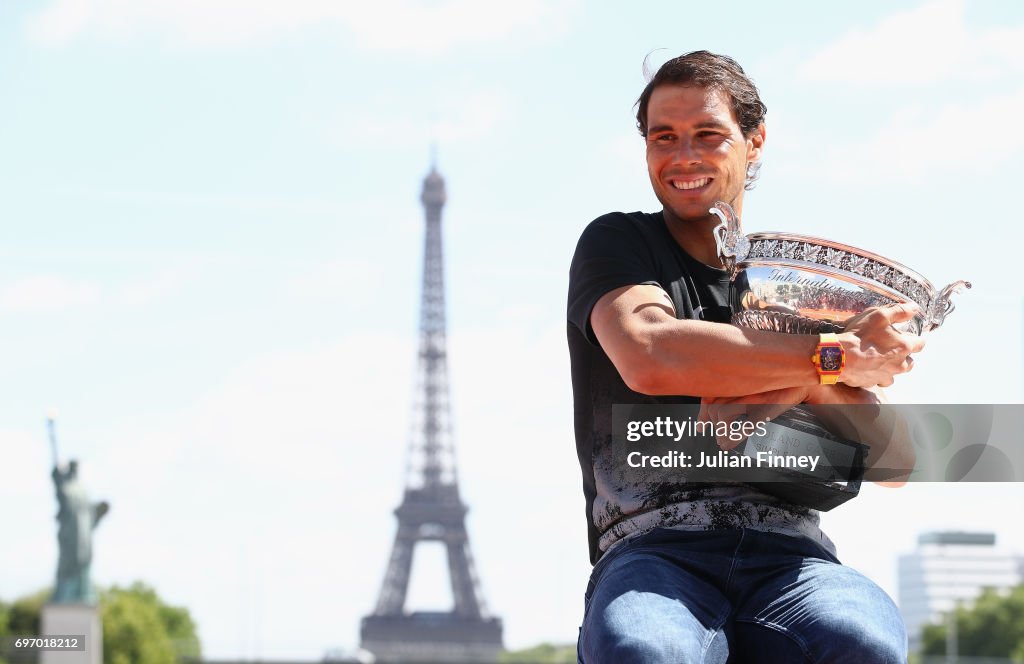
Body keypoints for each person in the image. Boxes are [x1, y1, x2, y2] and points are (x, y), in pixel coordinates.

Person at [567, 51, 922, 663]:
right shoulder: (619, 242)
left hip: (792, 553)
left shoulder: (793, 283)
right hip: (654, 547)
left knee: (865, 645)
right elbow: (650, 352)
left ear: (755, 141)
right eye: (664, 137)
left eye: (708, 135)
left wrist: (774, 377)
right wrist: (830, 355)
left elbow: (894, 461)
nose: (683, 157)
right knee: (646, 649)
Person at [52, 459, 109, 604]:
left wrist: (100, 510)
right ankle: (65, 592)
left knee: (84, 558)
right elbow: (59, 490)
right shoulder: (65, 486)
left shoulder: (83, 490)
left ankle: (83, 591)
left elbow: (91, 513)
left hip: (83, 531)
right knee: (69, 561)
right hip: (70, 531)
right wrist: (56, 476)